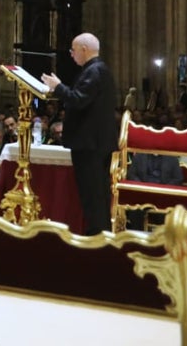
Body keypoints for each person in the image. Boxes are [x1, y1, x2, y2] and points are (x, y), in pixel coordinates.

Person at [43, 32, 118, 234]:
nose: (71, 54)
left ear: (84, 49)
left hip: (90, 144)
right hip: (94, 142)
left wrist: (57, 87)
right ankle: (99, 235)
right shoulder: (97, 70)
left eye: (73, 50)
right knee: (96, 195)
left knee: (93, 195)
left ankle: (97, 237)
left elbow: (78, 99)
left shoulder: (94, 71)